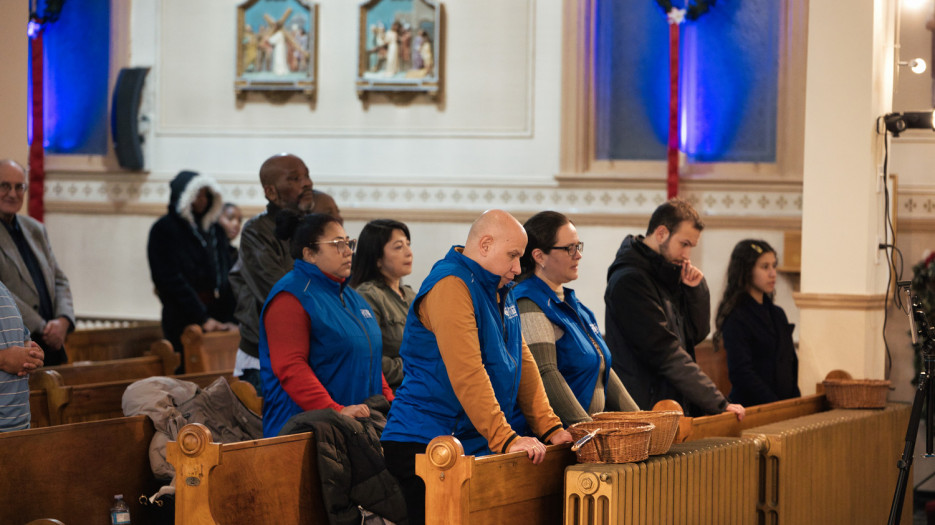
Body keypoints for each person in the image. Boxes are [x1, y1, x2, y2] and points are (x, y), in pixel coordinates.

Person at [382, 209, 573, 525]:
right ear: (485, 244)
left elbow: (522, 360)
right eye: (512, 255)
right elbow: (467, 371)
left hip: (470, 438)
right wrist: (507, 439)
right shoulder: (451, 285)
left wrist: (550, 427)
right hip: (429, 442)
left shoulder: (498, 285)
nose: (517, 267)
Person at [604, 198, 744, 420]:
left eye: (691, 246)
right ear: (661, 233)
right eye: (684, 244)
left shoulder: (667, 274)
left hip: (671, 404)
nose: (687, 255)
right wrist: (717, 403)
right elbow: (664, 352)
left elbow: (694, 335)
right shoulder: (630, 281)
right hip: (645, 408)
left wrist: (696, 291)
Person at [259, 211, 394, 437]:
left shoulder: (352, 297)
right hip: (304, 433)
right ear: (310, 253)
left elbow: (369, 358)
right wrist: (335, 411)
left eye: (349, 243)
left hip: (353, 428)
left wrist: (392, 403)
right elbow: (291, 367)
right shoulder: (291, 297)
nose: (348, 251)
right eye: (337, 244)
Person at [513, 211, 639, 427]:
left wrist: (641, 420)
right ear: (539, 256)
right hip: (553, 442)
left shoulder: (577, 307)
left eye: (578, 246)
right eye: (569, 248)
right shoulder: (528, 302)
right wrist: (587, 429)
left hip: (581, 436)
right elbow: (545, 373)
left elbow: (604, 369)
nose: (578, 255)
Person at [228, 153, 315, 395]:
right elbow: (281, 290)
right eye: (295, 178)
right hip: (264, 355)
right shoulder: (257, 231)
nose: (307, 183)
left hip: (307, 351)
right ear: (271, 192)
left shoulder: (312, 227)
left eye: (307, 175)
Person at [147, 170, 237, 370]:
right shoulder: (164, 230)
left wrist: (231, 318)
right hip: (183, 317)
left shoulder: (214, 230)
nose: (203, 200)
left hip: (219, 316)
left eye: (206, 194)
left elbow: (227, 274)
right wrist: (202, 318)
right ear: (184, 196)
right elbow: (169, 280)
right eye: (198, 195)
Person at [0, 159, 74, 366]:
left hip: (53, 344)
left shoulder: (35, 229)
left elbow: (59, 280)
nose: (12, 193)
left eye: (18, 187)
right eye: (4, 186)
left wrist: (63, 320)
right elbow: (3, 294)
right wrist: (43, 327)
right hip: (18, 347)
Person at [714, 240, 800, 406]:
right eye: (765, 267)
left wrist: (794, 402)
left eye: (774, 266)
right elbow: (741, 373)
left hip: (783, 405)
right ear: (746, 270)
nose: (773, 273)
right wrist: (774, 405)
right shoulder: (737, 317)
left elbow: (791, 362)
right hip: (753, 407)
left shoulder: (777, 314)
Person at [350, 219, 415, 391]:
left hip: (420, 384)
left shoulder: (410, 295)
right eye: (399, 247)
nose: (409, 252)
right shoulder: (368, 296)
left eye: (408, 245)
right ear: (377, 258)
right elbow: (371, 360)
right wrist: (418, 365)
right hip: (392, 392)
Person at [0, 279, 44, 432]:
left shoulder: (3, 289)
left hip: (18, 425)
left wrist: (31, 354)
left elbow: (23, 338)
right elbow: (8, 357)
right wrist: (4, 358)